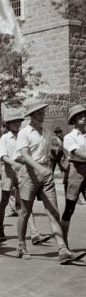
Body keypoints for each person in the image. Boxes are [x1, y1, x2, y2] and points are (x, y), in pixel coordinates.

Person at [15, 102, 85, 263]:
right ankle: (21, 244)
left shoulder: (47, 132)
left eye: (42, 112)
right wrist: (39, 168)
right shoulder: (24, 133)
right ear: (31, 116)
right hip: (29, 175)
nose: (42, 115)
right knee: (25, 212)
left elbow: (51, 153)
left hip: (46, 176)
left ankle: (62, 249)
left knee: (53, 211)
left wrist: (52, 166)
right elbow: (24, 155)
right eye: (39, 113)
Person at [0, 114, 51, 244]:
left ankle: (34, 233)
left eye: (18, 122)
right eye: (13, 122)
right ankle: (0, 227)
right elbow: (3, 156)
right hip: (10, 171)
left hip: (24, 172)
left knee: (25, 202)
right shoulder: (5, 138)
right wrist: (15, 164)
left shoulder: (24, 134)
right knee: (5, 200)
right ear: (8, 125)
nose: (16, 124)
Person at [61, 105, 86, 246]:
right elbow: (77, 153)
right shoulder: (69, 137)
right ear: (74, 120)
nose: (83, 117)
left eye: (84, 115)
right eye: (79, 116)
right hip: (74, 172)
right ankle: (64, 242)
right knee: (70, 207)